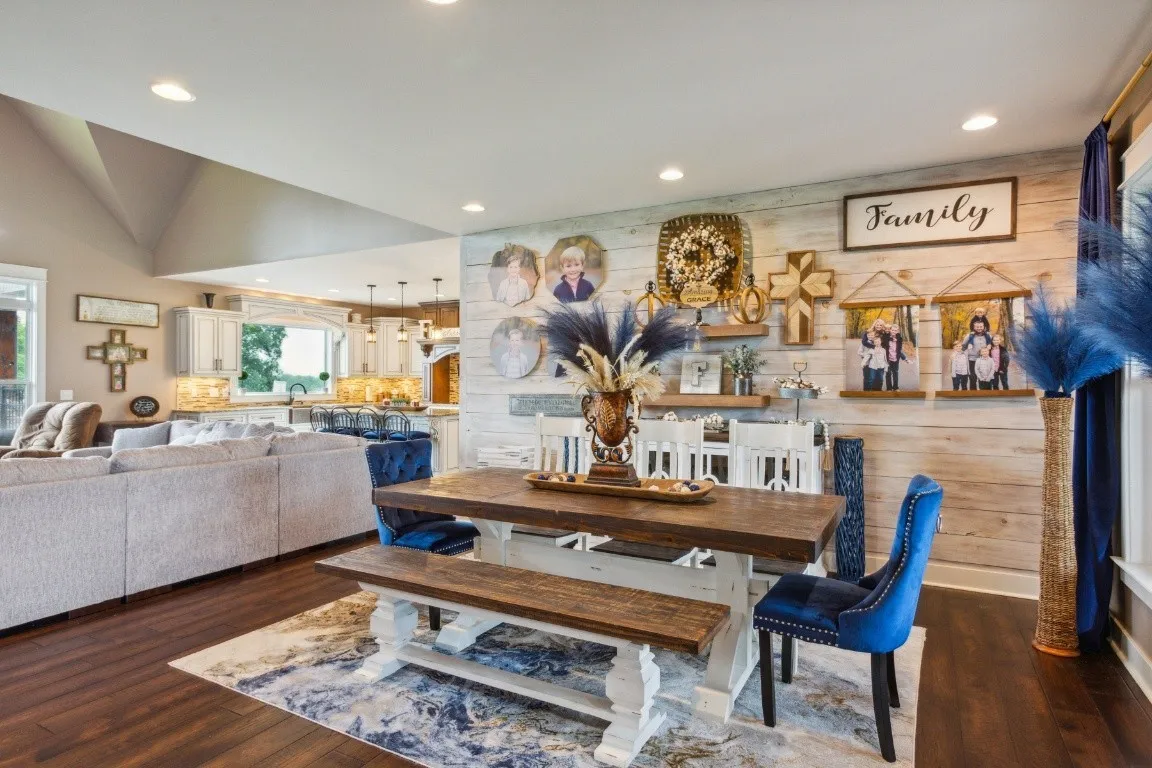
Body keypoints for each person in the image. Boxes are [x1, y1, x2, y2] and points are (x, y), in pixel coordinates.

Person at [962, 319, 993, 389]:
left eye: (981, 327)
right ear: (974, 327)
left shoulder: (988, 336)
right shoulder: (969, 336)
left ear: (984, 327)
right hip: (972, 360)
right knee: (973, 378)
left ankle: (984, 393)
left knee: (984, 378)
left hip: (984, 360)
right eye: (977, 327)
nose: (979, 328)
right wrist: (957, 355)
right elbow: (963, 347)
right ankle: (973, 393)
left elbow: (994, 345)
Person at [883, 321, 909, 391]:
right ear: (890, 330)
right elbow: (884, 341)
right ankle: (889, 388)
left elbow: (899, 350)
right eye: (892, 330)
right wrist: (891, 339)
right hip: (888, 359)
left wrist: (904, 358)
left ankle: (895, 387)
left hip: (895, 359)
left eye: (895, 330)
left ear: (898, 331)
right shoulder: (886, 337)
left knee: (895, 373)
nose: (894, 331)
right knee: (888, 373)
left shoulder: (899, 339)